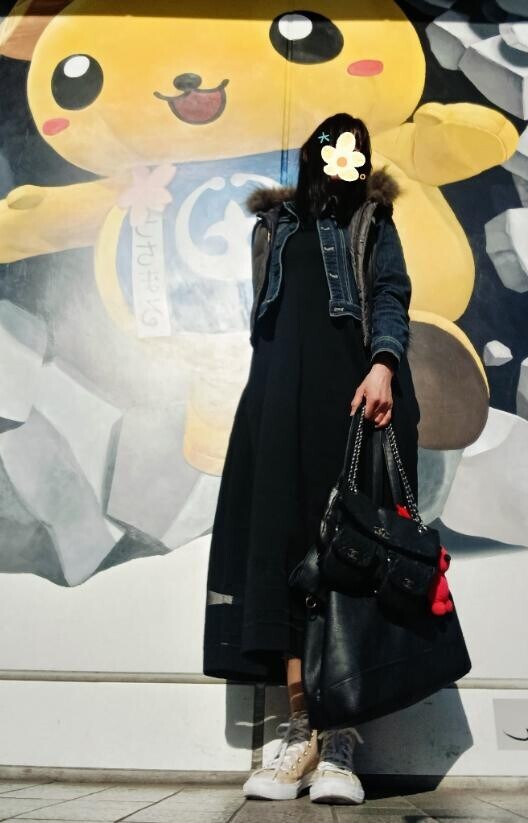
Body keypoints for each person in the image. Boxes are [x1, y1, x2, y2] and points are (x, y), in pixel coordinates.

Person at [202, 112, 420, 805]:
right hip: (275, 401)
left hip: (349, 397)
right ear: (312, 155)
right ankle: (300, 732)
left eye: (355, 151)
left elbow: (389, 295)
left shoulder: (371, 220)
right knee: (285, 560)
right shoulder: (275, 225)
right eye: (332, 149)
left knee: (347, 559)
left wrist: (383, 364)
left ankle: (341, 741)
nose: (342, 161)